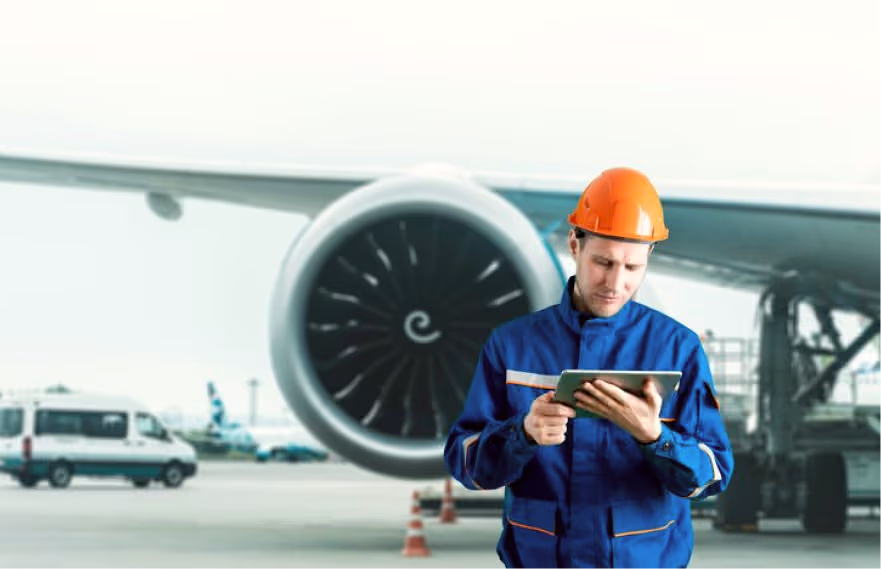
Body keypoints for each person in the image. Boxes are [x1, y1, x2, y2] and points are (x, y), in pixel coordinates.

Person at [444, 167, 734, 569]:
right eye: (603, 262)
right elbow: (465, 463)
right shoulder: (512, 347)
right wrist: (521, 433)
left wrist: (655, 436)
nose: (615, 282)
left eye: (632, 268)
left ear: (649, 256)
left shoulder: (677, 349)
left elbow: (714, 475)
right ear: (574, 244)